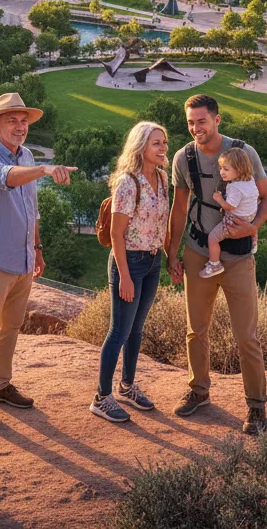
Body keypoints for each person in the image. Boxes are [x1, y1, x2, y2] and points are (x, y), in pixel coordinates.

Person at [0, 92, 77, 424]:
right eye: (12, 120)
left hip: (23, 258)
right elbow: (7, 179)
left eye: (23, 120)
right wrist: (43, 169)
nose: (19, 126)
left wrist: (38, 249)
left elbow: (31, 209)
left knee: (10, 327)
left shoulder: (25, 154)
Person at [165, 93, 267, 435]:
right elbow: (179, 209)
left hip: (238, 255)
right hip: (199, 250)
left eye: (202, 121)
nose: (196, 128)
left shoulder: (244, 153)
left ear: (217, 119)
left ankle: (256, 407)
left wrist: (254, 226)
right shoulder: (184, 158)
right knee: (196, 329)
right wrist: (172, 254)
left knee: (246, 336)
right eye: (190, 123)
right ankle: (199, 391)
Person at [90, 121, 170, 425]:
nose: (163, 148)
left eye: (163, 142)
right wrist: (123, 275)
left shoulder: (162, 179)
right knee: (119, 331)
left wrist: (168, 257)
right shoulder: (127, 183)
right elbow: (117, 234)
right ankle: (101, 397)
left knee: (137, 330)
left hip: (152, 262)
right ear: (140, 148)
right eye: (156, 144)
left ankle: (126, 386)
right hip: (130, 263)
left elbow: (161, 223)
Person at [200, 147, 259, 279]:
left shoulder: (234, 187)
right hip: (249, 217)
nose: (222, 172)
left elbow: (230, 207)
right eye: (221, 168)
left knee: (213, 238)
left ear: (239, 169)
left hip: (234, 221)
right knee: (251, 225)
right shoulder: (250, 180)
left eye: (226, 169)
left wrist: (219, 199)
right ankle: (254, 240)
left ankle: (215, 264)